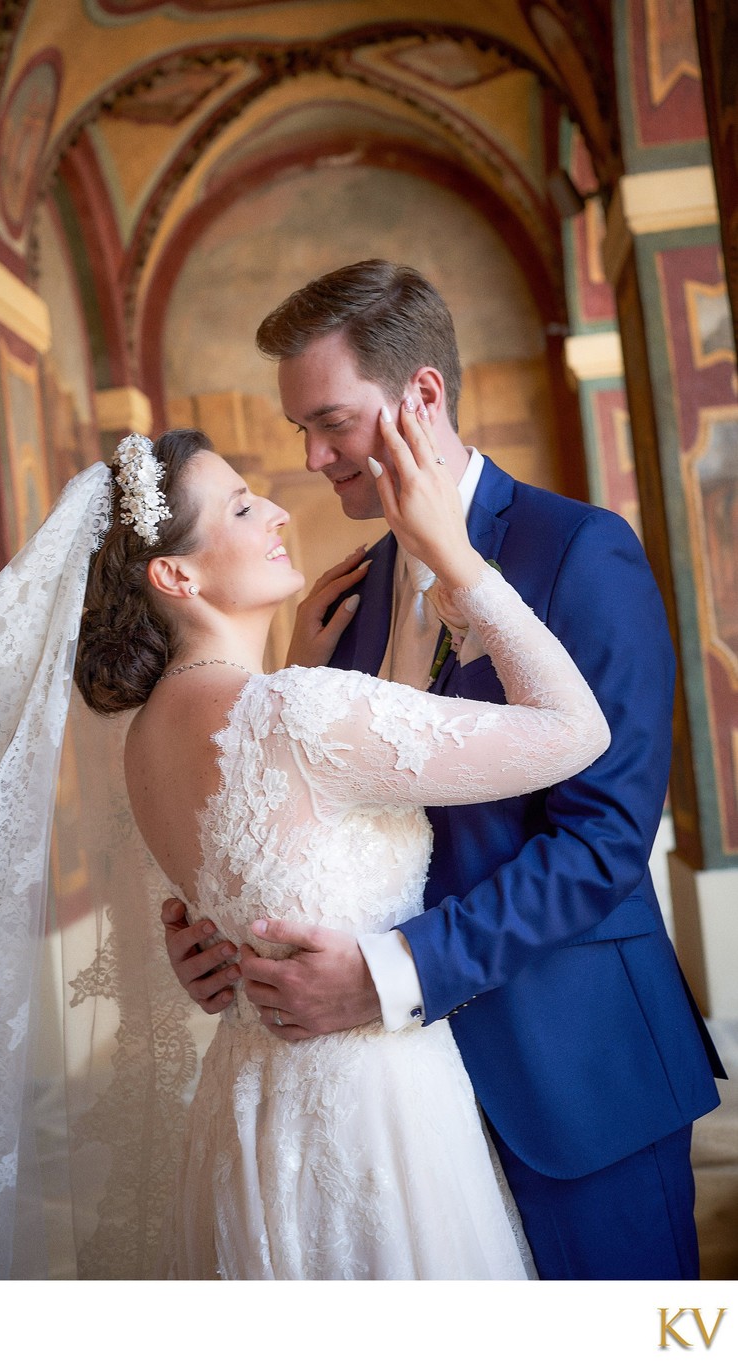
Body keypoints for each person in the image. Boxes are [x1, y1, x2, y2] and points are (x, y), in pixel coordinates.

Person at [0, 416, 609, 1280]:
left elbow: (300, 829)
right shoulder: (292, 712)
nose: (274, 508)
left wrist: (341, 668)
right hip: (372, 1112)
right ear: (176, 573)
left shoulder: (146, 737)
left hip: (250, 1110)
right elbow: (575, 730)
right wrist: (458, 562)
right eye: (238, 507)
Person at [164, 259, 725, 1281]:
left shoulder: (579, 552)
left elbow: (602, 839)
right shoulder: (344, 592)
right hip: (399, 1115)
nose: (312, 455)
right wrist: (226, 943)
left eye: (330, 420)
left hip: (571, 1070)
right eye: (300, 429)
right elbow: (325, 825)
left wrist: (392, 978)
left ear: (420, 395)